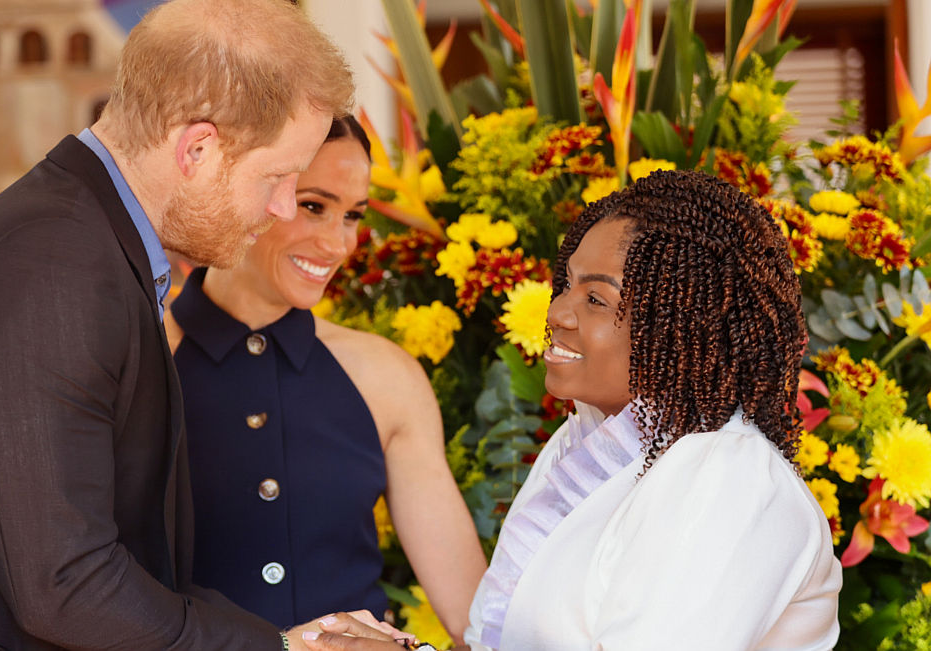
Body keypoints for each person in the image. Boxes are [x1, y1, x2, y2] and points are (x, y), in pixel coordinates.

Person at [0, 0, 393, 650]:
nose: (283, 207)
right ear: (197, 150)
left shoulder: (86, 242)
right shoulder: (55, 263)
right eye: (275, 177)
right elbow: (66, 585)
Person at [307, 169, 843, 651]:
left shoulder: (731, 479)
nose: (558, 311)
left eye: (596, 299)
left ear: (682, 326)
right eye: (566, 284)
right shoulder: (583, 447)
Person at [163, 116, 488, 644]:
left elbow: (478, 618)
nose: (338, 244)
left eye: (352, 215)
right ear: (244, 188)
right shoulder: (144, 359)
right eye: (314, 205)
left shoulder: (387, 376)